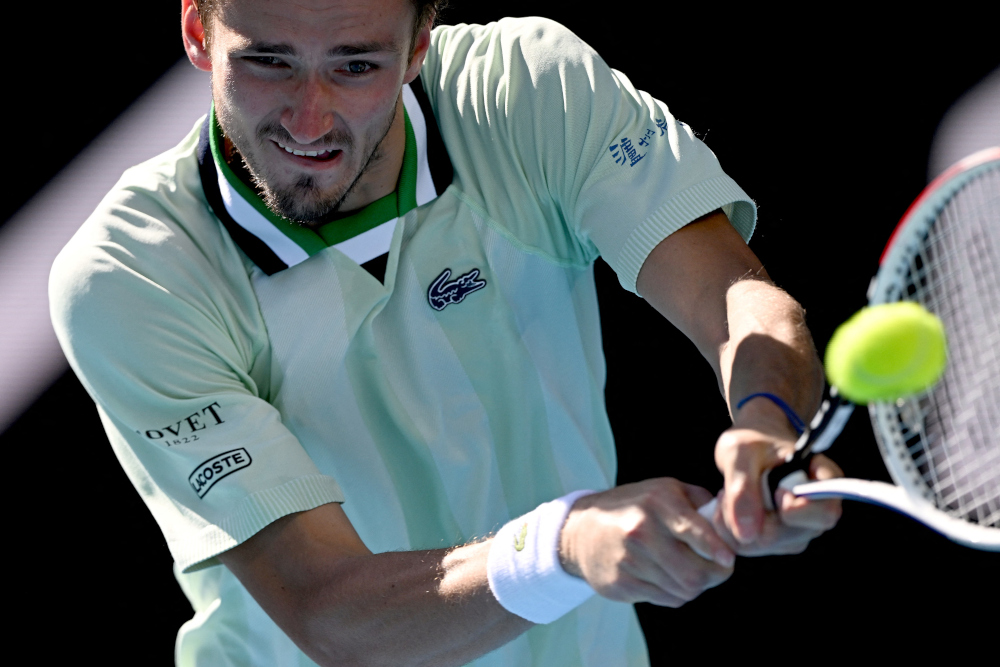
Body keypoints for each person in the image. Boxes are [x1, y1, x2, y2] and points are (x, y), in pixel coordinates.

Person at [49, 1, 843, 665]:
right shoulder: (130, 274)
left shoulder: (527, 90)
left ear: (419, 45)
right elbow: (327, 607)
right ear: (197, 32)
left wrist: (768, 421)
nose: (308, 117)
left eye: (355, 64)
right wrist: (563, 545)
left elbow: (734, 295)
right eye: (269, 62)